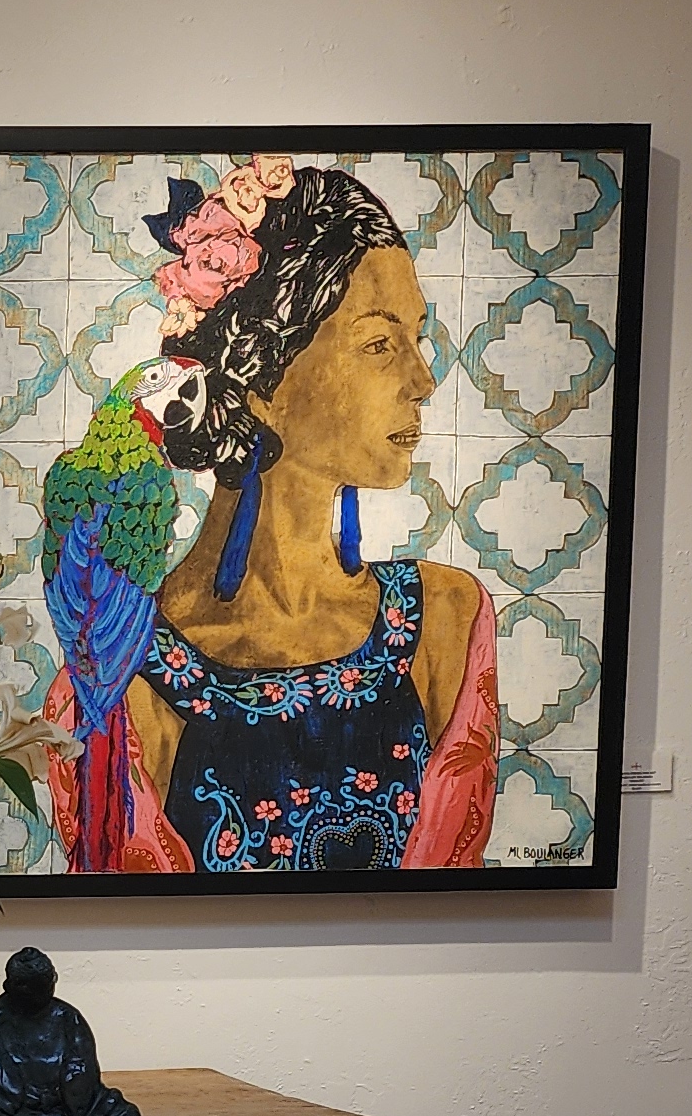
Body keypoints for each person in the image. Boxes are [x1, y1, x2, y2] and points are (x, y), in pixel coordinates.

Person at [39, 158, 499, 874]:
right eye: (379, 344)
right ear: (260, 378)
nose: (423, 379)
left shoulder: (446, 620)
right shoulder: (119, 678)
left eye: (417, 338)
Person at [0, 949, 143, 1116]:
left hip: (64, 1106)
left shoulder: (67, 1017)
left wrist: (66, 1093)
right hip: (8, 1104)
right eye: (32, 988)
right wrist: (24, 1095)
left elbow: (82, 1064)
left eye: (47, 984)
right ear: (10, 986)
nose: (42, 993)